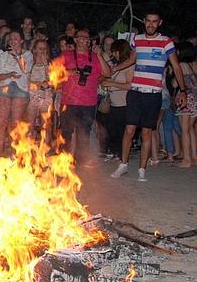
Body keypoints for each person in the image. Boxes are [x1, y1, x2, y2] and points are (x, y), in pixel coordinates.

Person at [111, 11, 187, 181]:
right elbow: (132, 59)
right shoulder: (136, 39)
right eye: (148, 21)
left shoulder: (166, 42)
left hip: (153, 95)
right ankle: (123, 164)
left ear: (160, 23)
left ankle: (142, 169)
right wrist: (116, 68)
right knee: (129, 130)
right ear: (144, 22)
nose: (151, 24)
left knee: (146, 133)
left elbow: (176, 67)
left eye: (154, 22)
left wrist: (183, 90)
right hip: (136, 92)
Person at [59, 28, 110, 168]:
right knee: (66, 132)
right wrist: (69, 72)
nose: (86, 40)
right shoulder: (66, 54)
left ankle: (79, 162)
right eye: (82, 37)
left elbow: (107, 72)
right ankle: (63, 161)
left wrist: (99, 55)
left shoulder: (94, 56)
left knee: (84, 133)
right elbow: (53, 73)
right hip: (69, 101)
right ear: (75, 39)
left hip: (88, 102)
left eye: (88, 38)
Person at [0, 30, 33, 157]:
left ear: (21, 41)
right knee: (1, 122)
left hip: (20, 90)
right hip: (5, 87)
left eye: (15, 38)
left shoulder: (27, 55)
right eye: (10, 39)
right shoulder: (2, 54)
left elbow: (25, 69)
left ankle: (14, 152)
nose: (12, 41)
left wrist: (17, 56)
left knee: (15, 124)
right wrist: (10, 74)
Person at [100, 39, 134, 161]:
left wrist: (112, 83)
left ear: (119, 51)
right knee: (112, 129)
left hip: (124, 103)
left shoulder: (129, 66)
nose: (113, 54)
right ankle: (114, 151)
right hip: (114, 103)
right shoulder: (118, 65)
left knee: (121, 131)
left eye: (114, 51)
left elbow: (130, 85)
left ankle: (122, 155)